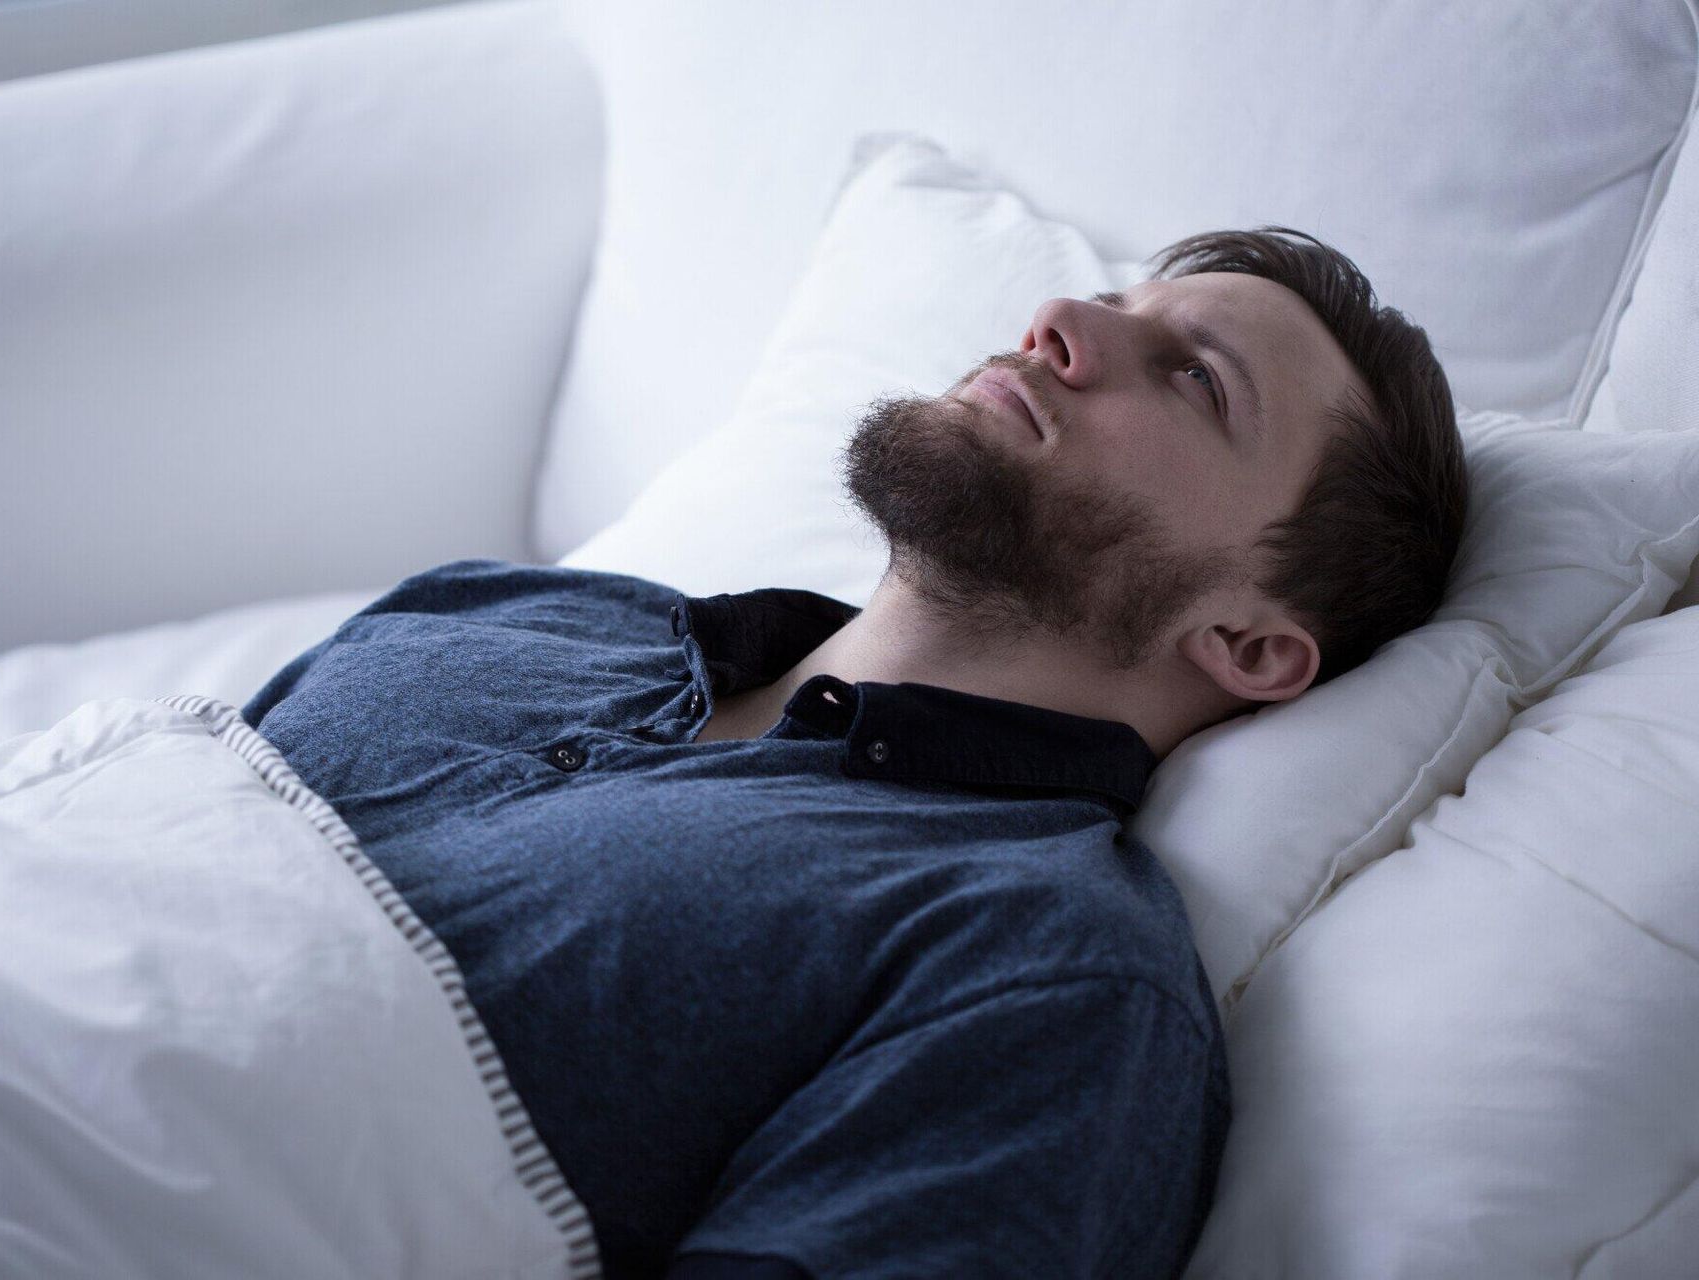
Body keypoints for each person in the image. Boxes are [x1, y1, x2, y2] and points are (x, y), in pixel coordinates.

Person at [241, 227, 1468, 1279]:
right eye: (1116, 298)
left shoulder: (1042, 970)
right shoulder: (491, 609)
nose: (1058, 321)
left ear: (1250, 643)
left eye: (1194, 377)